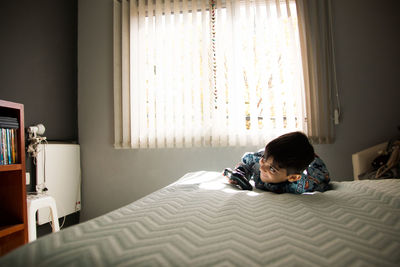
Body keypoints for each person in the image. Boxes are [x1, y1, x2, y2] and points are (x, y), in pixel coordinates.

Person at [223, 131, 330, 194]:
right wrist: (240, 172)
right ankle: (241, 173)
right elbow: (250, 160)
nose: (262, 168)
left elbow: (322, 182)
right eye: (264, 161)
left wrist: (324, 186)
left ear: (292, 177)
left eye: (272, 169)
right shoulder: (260, 163)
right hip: (270, 156)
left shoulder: (301, 185)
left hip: (313, 167)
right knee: (251, 164)